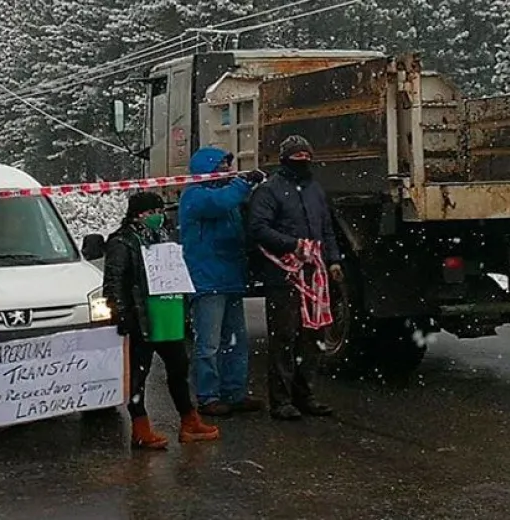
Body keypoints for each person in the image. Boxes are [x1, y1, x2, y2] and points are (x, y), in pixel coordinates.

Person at [103, 191, 220, 449]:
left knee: (179, 367)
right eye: (150, 212)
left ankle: (189, 421)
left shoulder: (164, 240)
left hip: (166, 315)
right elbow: (113, 283)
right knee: (137, 375)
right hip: (141, 319)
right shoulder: (122, 242)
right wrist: (121, 314)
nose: (157, 217)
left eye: (159, 212)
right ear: (136, 215)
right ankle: (140, 428)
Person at [247, 135, 343, 421]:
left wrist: (334, 260)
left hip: (315, 274)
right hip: (283, 275)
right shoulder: (269, 191)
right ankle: (281, 400)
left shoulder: (314, 189)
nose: (302, 161)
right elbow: (258, 228)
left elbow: (326, 228)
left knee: (311, 337)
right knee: (284, 337)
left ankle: (306, 395)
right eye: (296, 157)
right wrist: (292, 245)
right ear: (285, 159)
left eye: (306, 156)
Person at [178, 147, 266, 416]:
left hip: (230, 277)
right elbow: (222, 203)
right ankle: (208, 396)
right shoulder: (196, 196)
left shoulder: (224, 196)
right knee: (209, 343)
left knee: (236, 341)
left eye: (229, 166)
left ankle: (234, 391)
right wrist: (244, 183)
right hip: (207, 279)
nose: (228, 170)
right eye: (222, 166)